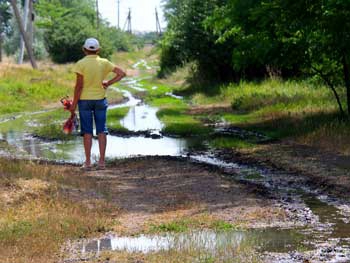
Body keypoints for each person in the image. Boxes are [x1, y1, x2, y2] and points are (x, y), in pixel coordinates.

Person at [70, 37, 126, 170]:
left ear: (84, 50)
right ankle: (101, 162)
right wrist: (108, 83)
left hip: (84, 101)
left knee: (87, 131)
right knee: (102, 130)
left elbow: (79, 86)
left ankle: (88, 162)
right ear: (98, 50)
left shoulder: (80, 64)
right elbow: (122, 73)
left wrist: (74, 104)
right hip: (100, 100)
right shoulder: (104, 62)